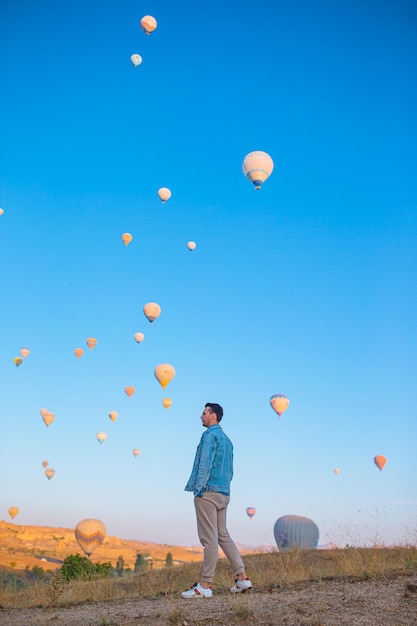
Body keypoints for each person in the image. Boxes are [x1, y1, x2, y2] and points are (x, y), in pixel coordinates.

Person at [181, 402, 252, 599]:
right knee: (223, 535)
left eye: (204, 413)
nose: (200, 416)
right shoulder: (228, 440)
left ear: (213, 416)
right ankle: (242, 578)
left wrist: (199, 488)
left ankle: (205, 585)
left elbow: (205, 463)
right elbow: (231, 471)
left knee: (208, 540)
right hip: (224, 493)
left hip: (208, 492)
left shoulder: (209, 435)